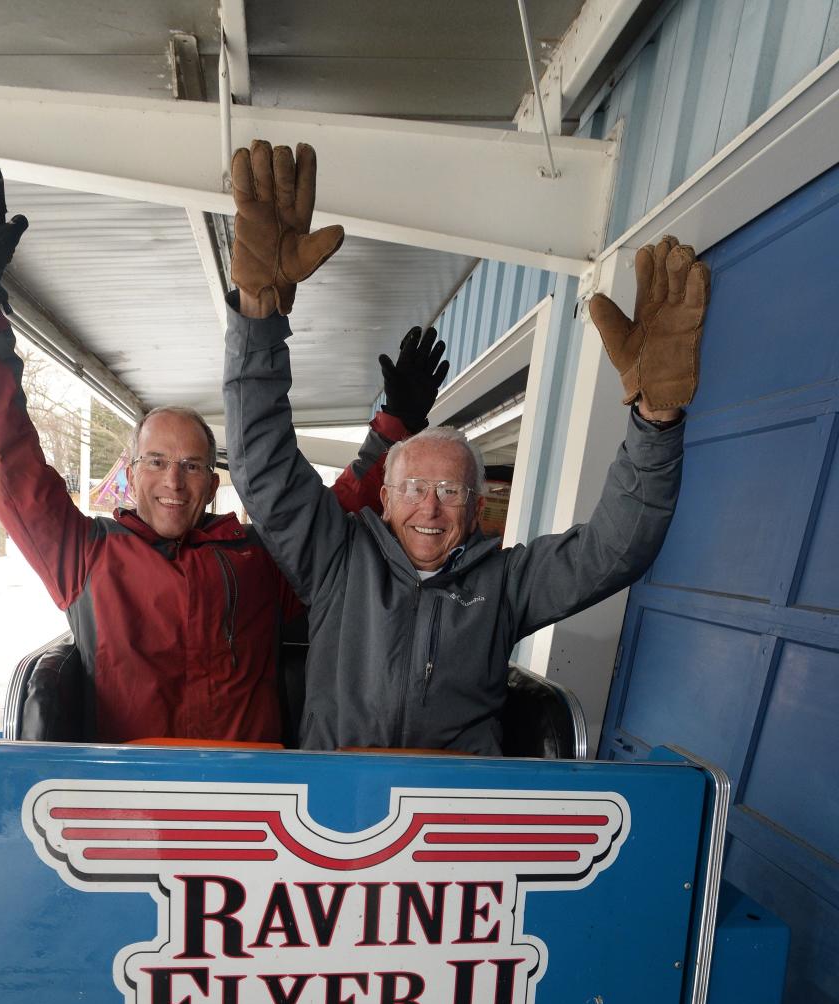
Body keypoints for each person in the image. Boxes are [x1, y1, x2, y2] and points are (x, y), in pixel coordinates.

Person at [0, 151, 448, 744]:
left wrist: (394, 427)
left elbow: (337, 517)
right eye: (157, 461)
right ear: (131, 471)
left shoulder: (258, 564)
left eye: (192, 465)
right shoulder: (86, 557)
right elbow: (8, 464)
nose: (173, 481)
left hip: (259, 809)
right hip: (140, 819)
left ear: (212, 482)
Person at [224, 140, 710, 755]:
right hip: (334, 810)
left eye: (449, 491)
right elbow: (261, 465)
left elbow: (616, 549)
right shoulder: (336, 560)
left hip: (456, 821)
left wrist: (656, 418)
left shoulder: (507, 583)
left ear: (476, 504)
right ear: (388, 497)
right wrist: (257, 317)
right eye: (415, 489)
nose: (430, 508)